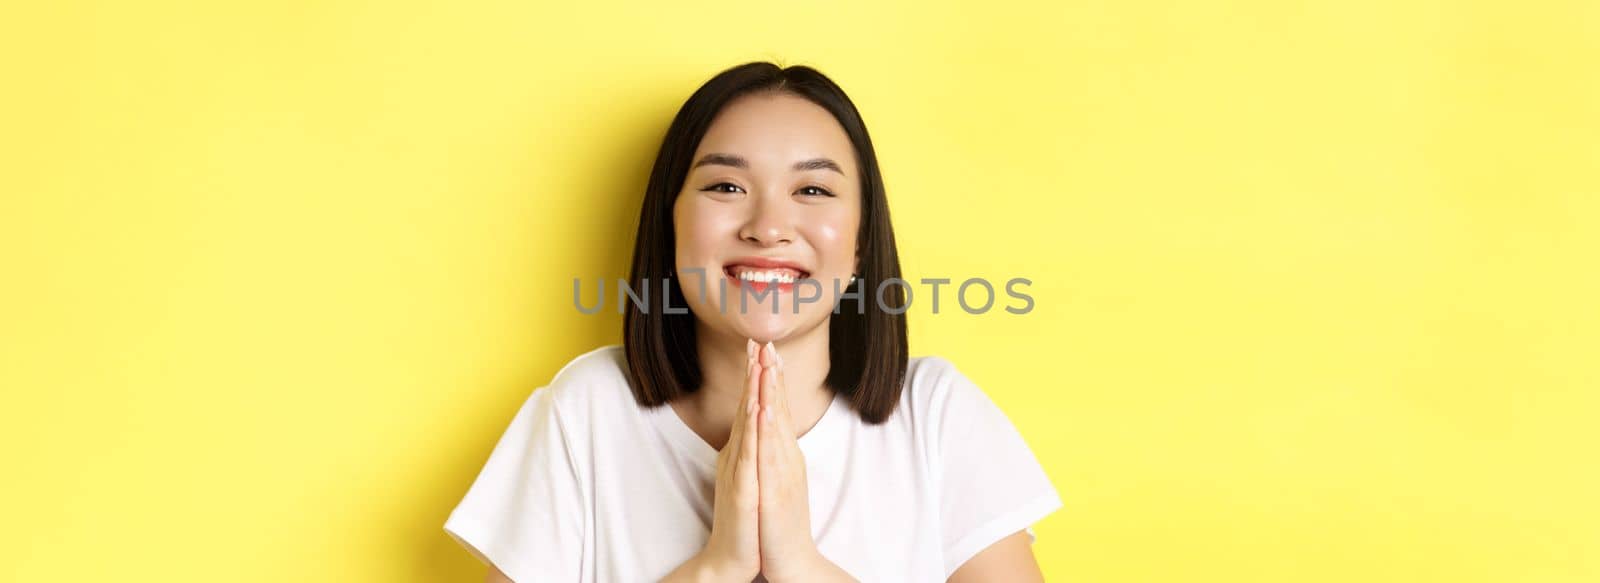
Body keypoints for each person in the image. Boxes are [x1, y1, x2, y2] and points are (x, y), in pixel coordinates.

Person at [443, 61, 1062, 582]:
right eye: (725, 186)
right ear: (672, 222)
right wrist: (719, 565)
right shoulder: (588, 411)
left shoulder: (935, 415)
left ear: (861, 242)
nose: (767, 227)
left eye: (814, 191)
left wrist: (799, 562)